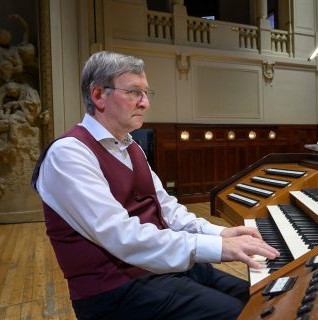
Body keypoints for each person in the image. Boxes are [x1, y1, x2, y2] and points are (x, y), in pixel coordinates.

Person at [32, 51, 279, 320]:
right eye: (135, 92)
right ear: (98, 95)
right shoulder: (68, 154)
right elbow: (122, 237)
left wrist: (219, 234)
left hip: (161, 267)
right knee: (245, 315)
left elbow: (168, 211)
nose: (145, 103)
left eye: (147, 93)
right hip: (115, 291)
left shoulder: (132, 146)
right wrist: (217, 249)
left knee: (268, 297)